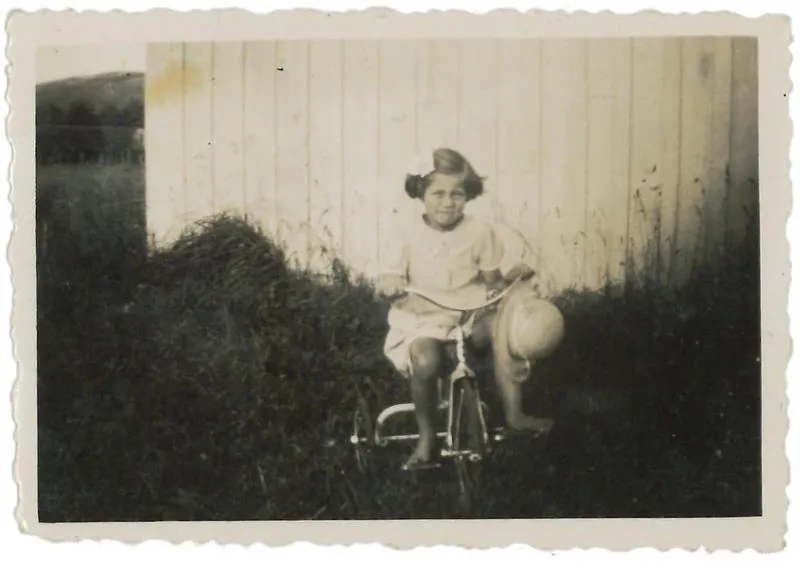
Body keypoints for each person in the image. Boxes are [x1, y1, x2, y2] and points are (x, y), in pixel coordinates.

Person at [376, 147, 561, 471]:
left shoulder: (478, 231)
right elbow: (390, 274)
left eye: (457, 194)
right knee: (426, 359)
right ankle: (427, 437)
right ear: (421, 193)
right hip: (426, 313)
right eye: (438, 194)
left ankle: (515, 414)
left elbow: (491, 280)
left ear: (468, 195)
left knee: (503, 334)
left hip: (469, 309)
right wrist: (389, 284)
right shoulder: (405, 232)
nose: (448, 202)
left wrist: (509, 278)